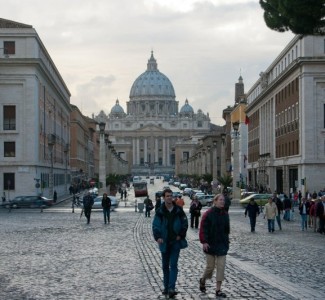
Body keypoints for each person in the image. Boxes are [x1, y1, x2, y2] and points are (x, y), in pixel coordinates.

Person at [152, 188, 188, 298]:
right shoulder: (160, 211)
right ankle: (166, 287)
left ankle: (171, 287)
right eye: (167, 196)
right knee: (164, 266)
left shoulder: (178, 210)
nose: (169, 197)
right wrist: (158, 237)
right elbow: (155, 225)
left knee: (173, 265)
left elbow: (185, 223)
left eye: (170, 196)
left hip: (175, 242)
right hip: (164, 242)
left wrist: (181, 235)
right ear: (164, 197)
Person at [199, 193, 230, 298]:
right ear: (215, 201)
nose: (222, 201)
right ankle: (203, 280)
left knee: (221, 267)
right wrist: (204, 241)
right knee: (210, 268)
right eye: (220, 200)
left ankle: (218, 290)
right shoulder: (208, 214)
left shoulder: (225, 214)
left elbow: (227, 230)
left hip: (222, 244)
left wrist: (227, 242)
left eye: (223, 200)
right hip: (210, 244)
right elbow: (203, 229)